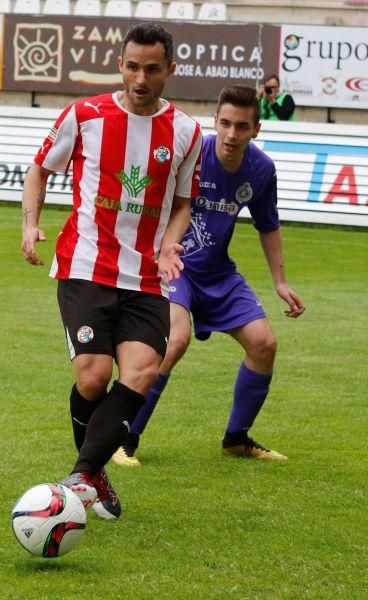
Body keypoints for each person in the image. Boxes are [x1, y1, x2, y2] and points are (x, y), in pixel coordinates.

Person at [21, 23, 202, 519]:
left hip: (145, 276)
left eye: (152, 68)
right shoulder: (85, 115)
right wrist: (31, 224)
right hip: (85, 264)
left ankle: (79, 476)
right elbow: (39, 168)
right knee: (93, 377)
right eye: (131, 66)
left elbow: (184, 202)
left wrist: (168, 246)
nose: (140, 78)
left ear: (170, 70)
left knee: (142, 371)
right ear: (120, 64)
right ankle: (94, 474)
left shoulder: (186, 131)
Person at [112, 84, 305, 468]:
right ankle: (123, 438)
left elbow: (268, 225)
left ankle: (236, 439)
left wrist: (281, 283)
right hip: (176, 266)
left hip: (218, 272)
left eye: (242, 126)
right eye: (226, 124)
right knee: (175, 339)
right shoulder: (192, 151)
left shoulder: (262, 170)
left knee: (264, 343)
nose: (232, 134)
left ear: (256, 129)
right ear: (214, 121)